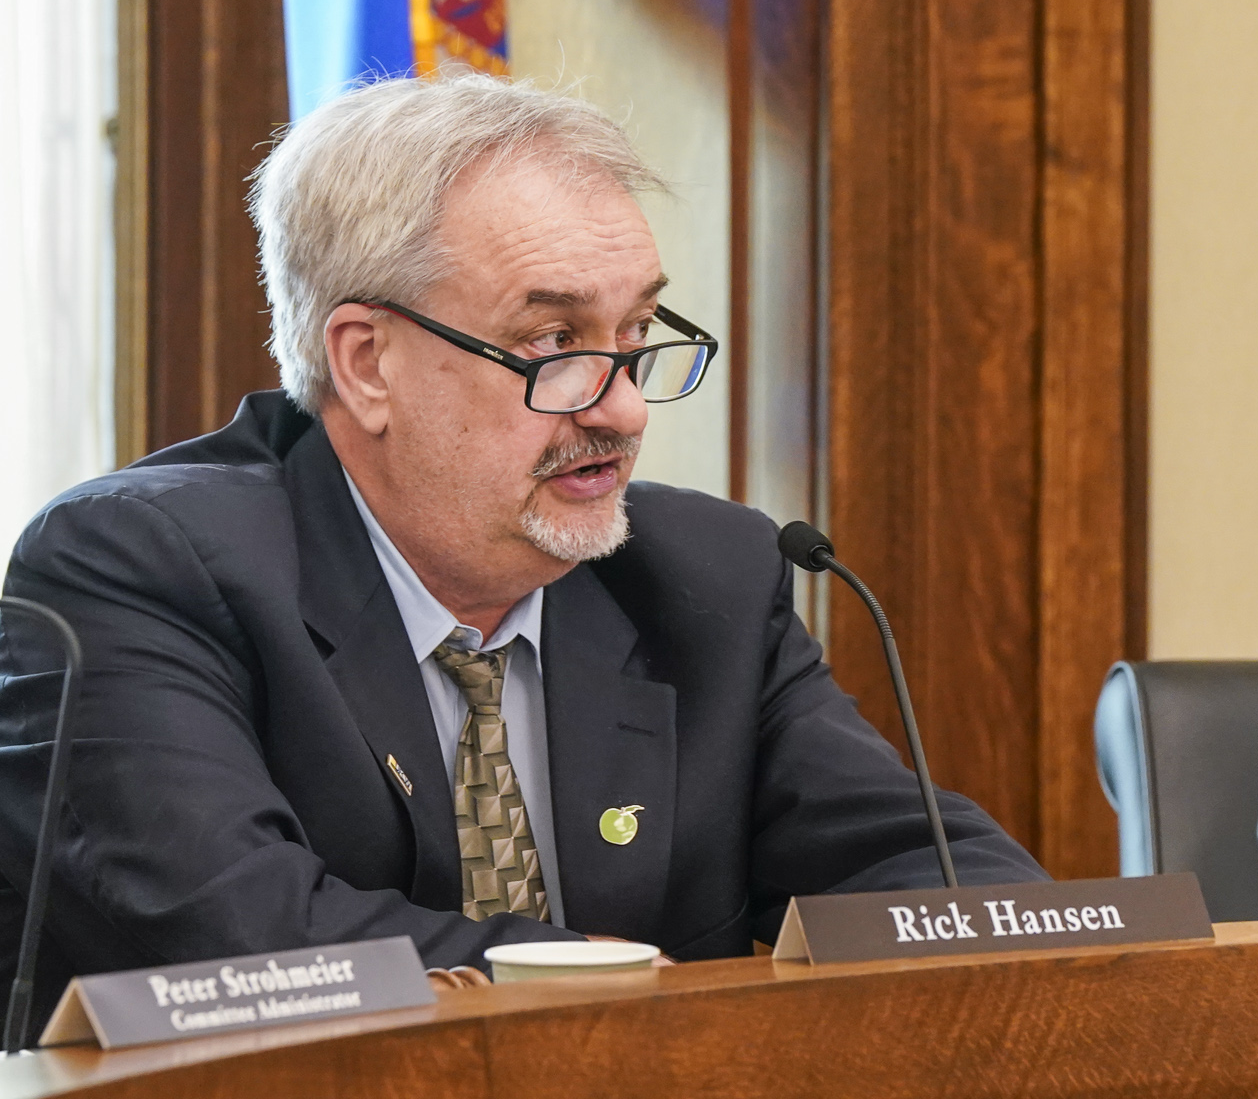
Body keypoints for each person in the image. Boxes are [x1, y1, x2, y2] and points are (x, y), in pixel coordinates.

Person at [0, 74, 1043, 1013]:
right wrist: (611, 985)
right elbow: (234, 938)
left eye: (635, 339)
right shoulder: (142, 571)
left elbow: (944, 881)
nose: (625, 412)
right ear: (367, 364)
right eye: (554, 345)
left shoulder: (702, 576)